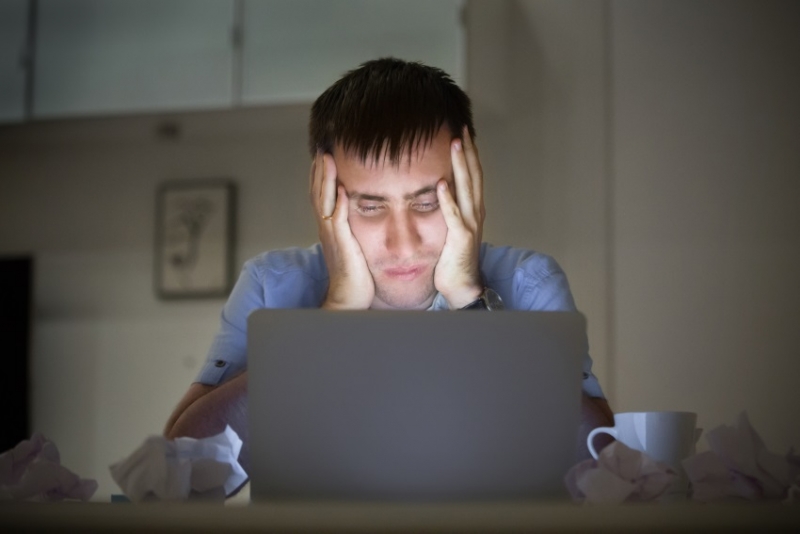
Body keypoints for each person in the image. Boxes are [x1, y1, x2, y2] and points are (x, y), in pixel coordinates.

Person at [164, 58, 614, 489]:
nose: (404, 242)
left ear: (470, 188)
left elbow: (603, 469)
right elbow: (177, 476)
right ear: (325, 199)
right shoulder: (272, 283)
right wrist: (332, 319)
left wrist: (472, 305)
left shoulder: (528, 282)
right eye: (370, 206)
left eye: (427, 202)